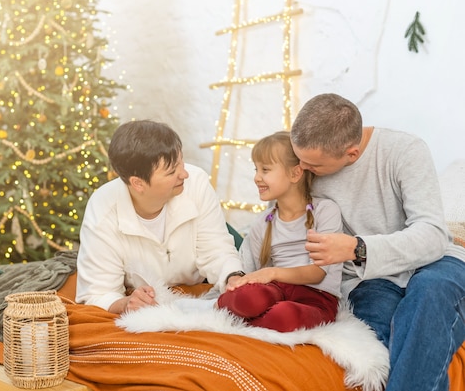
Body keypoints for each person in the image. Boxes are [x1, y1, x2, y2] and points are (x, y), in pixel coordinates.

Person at [290, 93, 465, 391]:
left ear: (352, 153)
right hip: (369, 278)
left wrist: (356, 248)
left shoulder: (404, 151)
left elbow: (433, 235)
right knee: (379, 339)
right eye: (299, 159)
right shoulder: (306, 168)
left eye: (312, 164)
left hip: (436, 263)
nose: (303, 169)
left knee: (429, 294)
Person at [76, 119, 244, 314]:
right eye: (172, 171)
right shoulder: (102, 209)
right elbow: (98, 292)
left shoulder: (196, 182)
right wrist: (127, 303)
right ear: (138, 183)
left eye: (181, 162)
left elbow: (216, 251)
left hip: (207, 273)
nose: (184, 174)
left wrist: (233, 277)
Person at [217, 131, 343, 332]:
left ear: (295, 173)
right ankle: (243, 316)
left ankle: (242, 321)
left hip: (317, 298)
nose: (257, 177)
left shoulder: (326, 211)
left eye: (265, 169)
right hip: (277, 289)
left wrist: (272, 272)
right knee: (245, 297)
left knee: (283, 315)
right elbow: (257, 276)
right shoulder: (263, 223)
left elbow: (318, 273)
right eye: (256, 169)